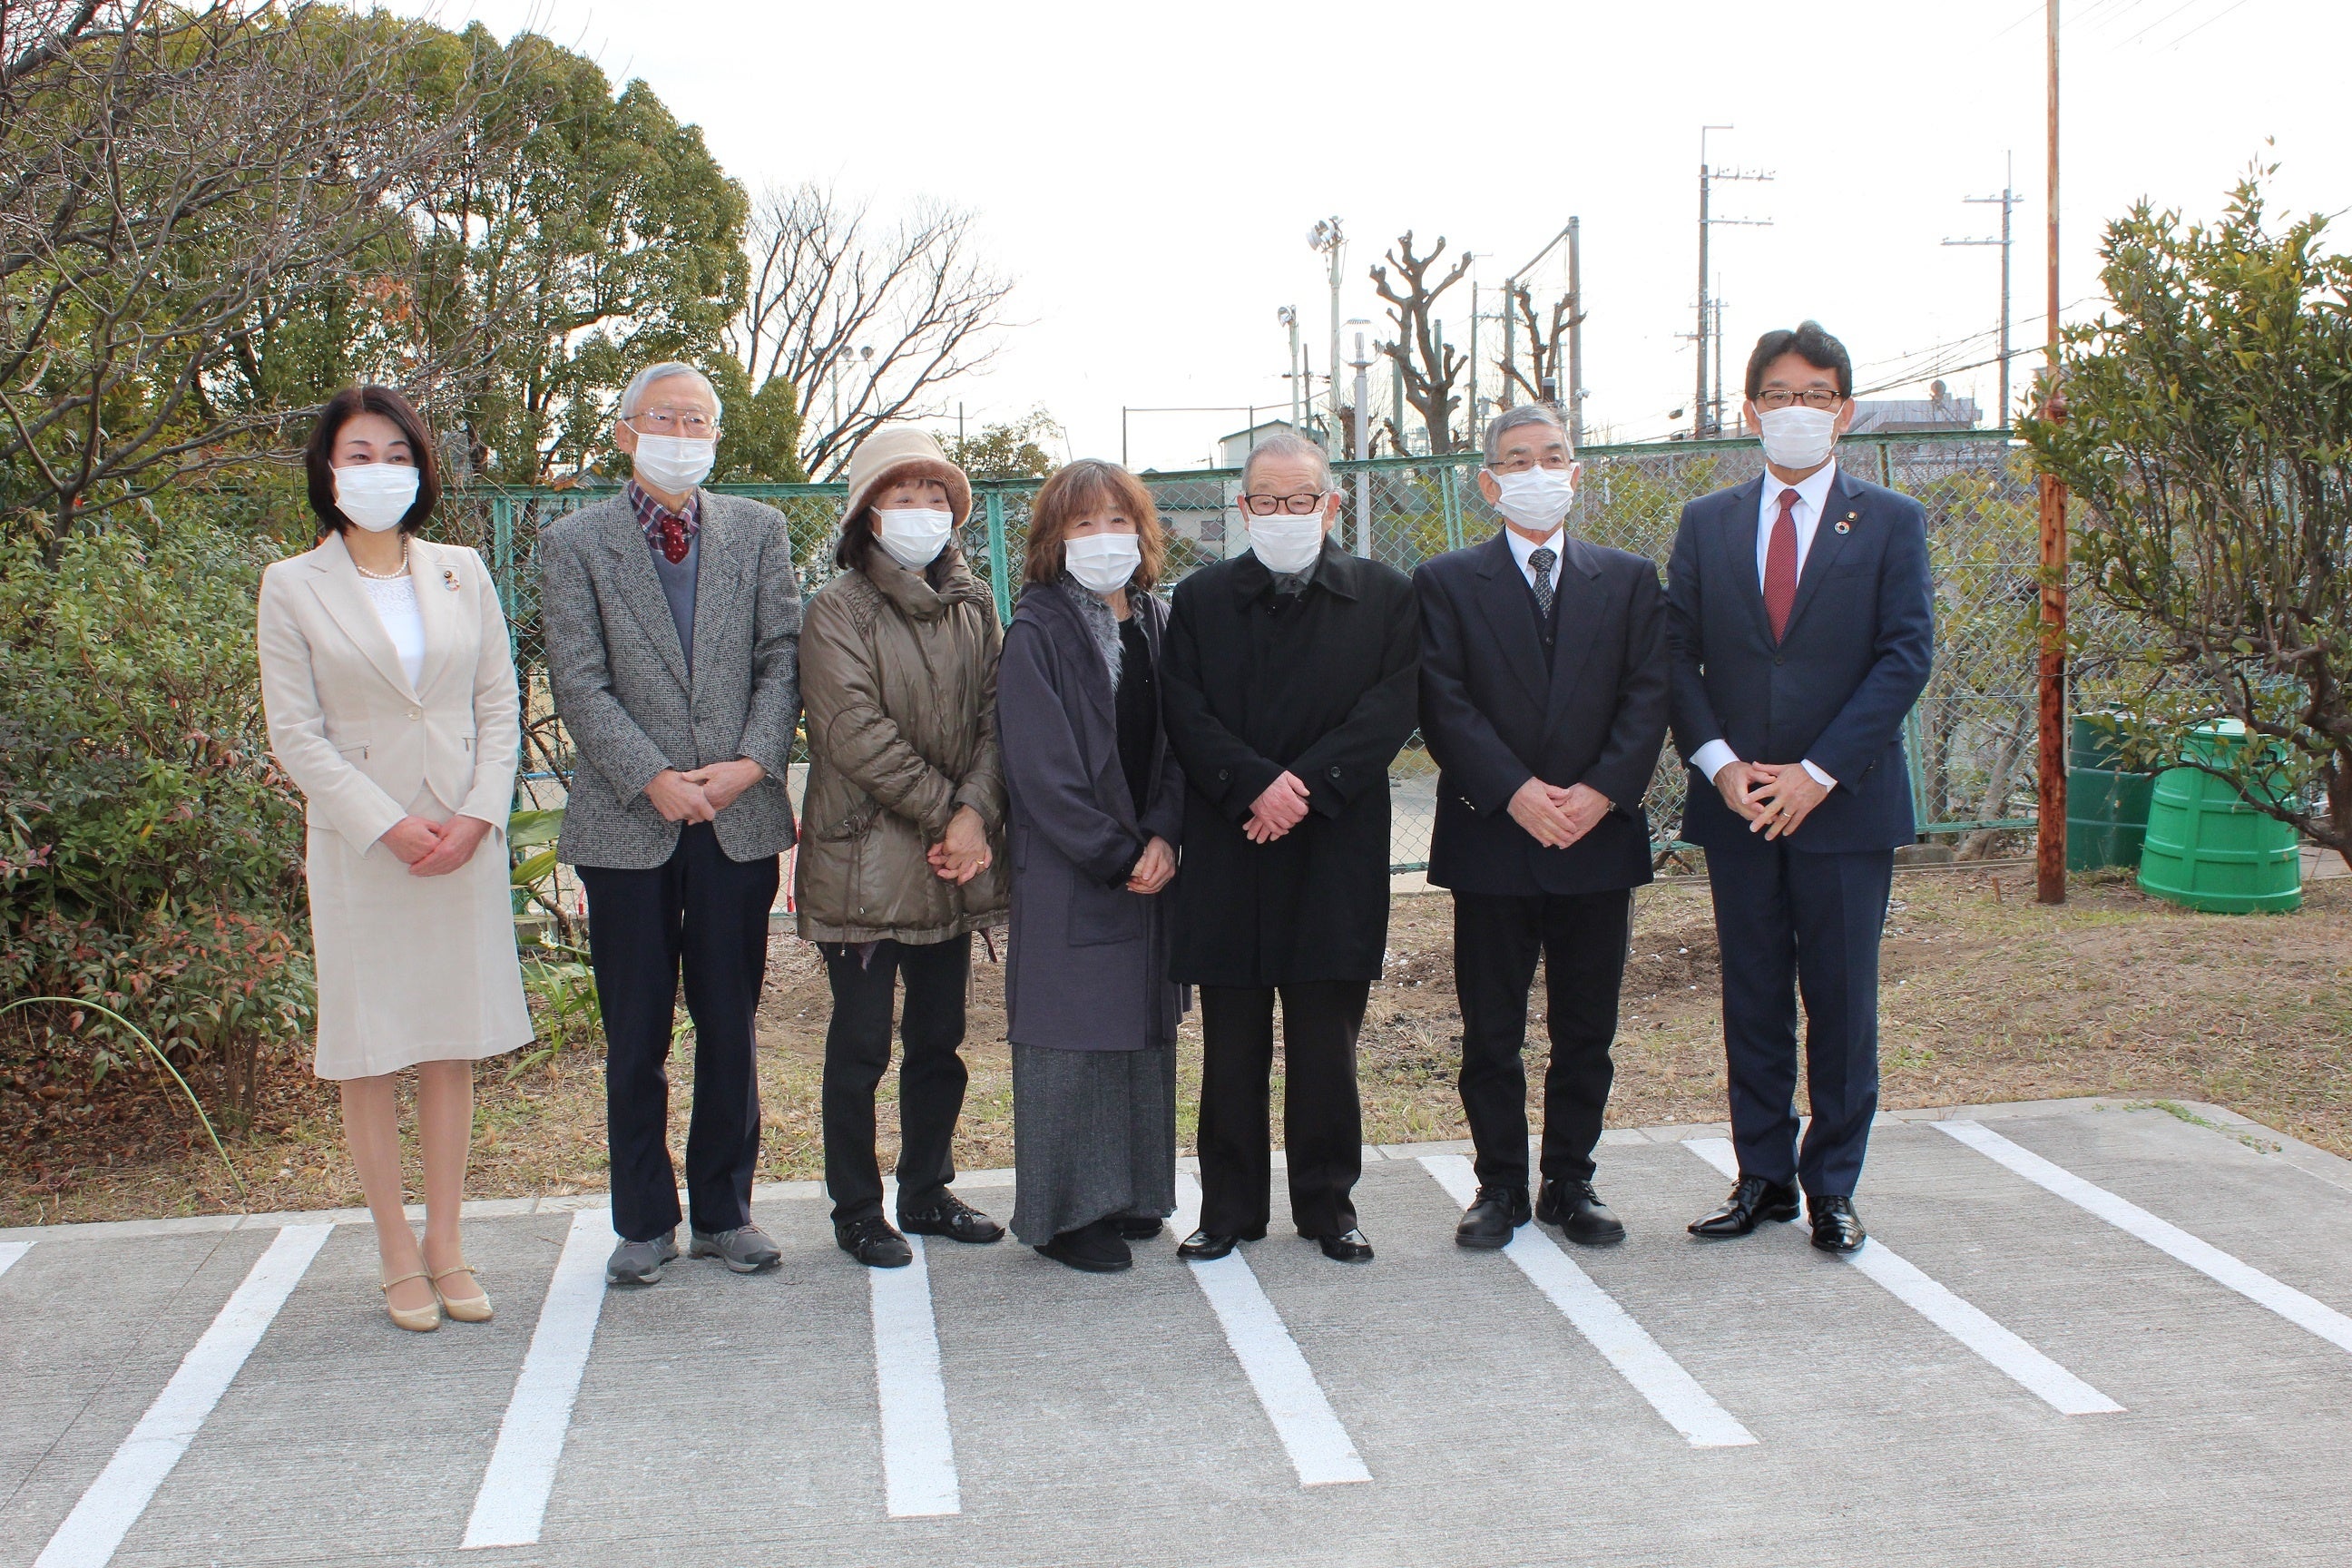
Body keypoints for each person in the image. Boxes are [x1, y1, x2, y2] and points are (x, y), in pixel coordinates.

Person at [257, 385, 532, 1332]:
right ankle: (392, 1252)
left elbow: (499, 704)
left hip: (462, 835)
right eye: (358, 454)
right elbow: (297, 736)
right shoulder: (292, 585)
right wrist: (386, 823)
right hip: (363, 847)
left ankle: (448, 1242)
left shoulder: (462, 570)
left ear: (421, 467)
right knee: (370, 1049)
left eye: (395, 453)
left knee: (450, 1045)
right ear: (328, 471)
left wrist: (476, 815)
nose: (378, 470)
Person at [1665, 321, 1936, 1253]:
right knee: (1752, 995)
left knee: (1842, 999)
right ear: (1749, 411)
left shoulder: (1892, 521)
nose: (1795, 411)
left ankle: (1833, 1186)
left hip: (1843, 805)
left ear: (1844, 413)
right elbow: (1675, 655)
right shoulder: (1708, 522)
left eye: (1814, 395)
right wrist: (1721, 764)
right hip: (1738, 803)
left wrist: (1819, 773)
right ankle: (1764, 1179)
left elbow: (1906, 657)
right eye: (1777, 395)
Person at [539, 361, 803, 1287]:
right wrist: (649, 775)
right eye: (666, 419)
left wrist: (751, 762)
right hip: (628, 823)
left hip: (738, 819)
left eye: (700, 421)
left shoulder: (759, 531)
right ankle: (644, 1219)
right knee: (638, 1032)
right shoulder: (574, 542)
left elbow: (782, 657)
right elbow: (578, 679)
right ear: (623, 432)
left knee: (729, 1022)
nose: (683, 435)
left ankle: (726, 1210)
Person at [1414, 404, 1671, 1251]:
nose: (1536, 472)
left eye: (1551, 455)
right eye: (1516, 460)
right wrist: (1515, 791)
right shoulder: (1447, 581)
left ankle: (1572, 1178)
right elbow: (1442, 701)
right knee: (1492, 1029)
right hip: (1494, 840)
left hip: (1598, 841)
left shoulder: (1629, 579)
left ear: (1577, 469)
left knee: (1585, 1028)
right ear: (1489, 481)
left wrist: (1601, 792)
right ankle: (1500, 1186)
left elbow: (1648, 694)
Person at [1161, 431, 1419, 1264]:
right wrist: (1253, 785)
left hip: (1333, 847)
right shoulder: (1200, 600)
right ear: (1242, 508)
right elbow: (1185, 711)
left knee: (1325, 1043)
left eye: (1299, 499)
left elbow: (1392, 706)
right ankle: (1228, 1208)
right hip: (1232, 842)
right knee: (1231, 1043)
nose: (1282, 514)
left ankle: (1328, 1206)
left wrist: (1303, 787)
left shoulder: (1383, 595)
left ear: (1331, 504)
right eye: (1265, 501)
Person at [797, 426, 1009, 1269]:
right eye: (901, 496)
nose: (922, 513)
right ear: (866, 514)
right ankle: (856, 1207)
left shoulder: (975, 603)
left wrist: (977, 812)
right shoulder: (836, 609)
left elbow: (1000, 720)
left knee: (939, 1039)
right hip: (865, 863)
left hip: (951, 861)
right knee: (858, 1049)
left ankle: (926, 1188)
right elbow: (853, 734)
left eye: (934, 498)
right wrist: (952, 817)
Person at [996, 460, 1187, 1273]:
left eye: (1118, 520)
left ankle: (1137, 1194)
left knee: (1143, 1035)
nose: (1103, 537)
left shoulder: (1158, 619)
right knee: (1071, 1042)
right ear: (1052, 539)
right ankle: (1068, 1215)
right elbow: (1040, 770)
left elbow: (1183, 742)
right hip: (1075, 869)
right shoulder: (1037, 628)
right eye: (1082, 524)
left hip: (1153, 864)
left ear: (1143, 534)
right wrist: (1118, 854)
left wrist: (1167, 836)